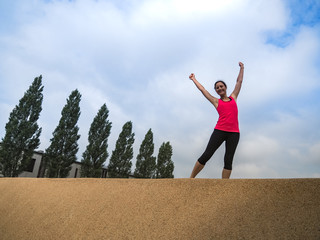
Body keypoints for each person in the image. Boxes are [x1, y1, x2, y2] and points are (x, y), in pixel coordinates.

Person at [189, 62, 244, 179]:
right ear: (216, 91)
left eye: (221, 86)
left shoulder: (233, 97)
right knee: (207, 155)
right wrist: (194, 79)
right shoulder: (216, 101)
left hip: (234, 133)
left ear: (225, 87)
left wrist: (242, 68)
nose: (219, 88)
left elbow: (239, 82)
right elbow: (202, 89)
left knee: (228, 160)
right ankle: (191, 179)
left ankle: (223, 185)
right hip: (220, 130)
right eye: (217, 88)